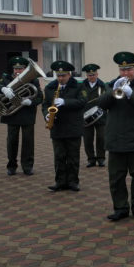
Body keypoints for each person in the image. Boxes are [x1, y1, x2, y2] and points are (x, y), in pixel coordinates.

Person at [99, 52, 134, 221]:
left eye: (129, 70)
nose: (125, 73)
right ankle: (120, 208)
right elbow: (101, 104)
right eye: (122, 70)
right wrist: (113, 90)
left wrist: (131, 94)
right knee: (116, 178)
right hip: (115, 139)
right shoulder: (110, 85)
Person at [0, 56, 43, 176]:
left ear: (25, 69)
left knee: (28, 142)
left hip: (27, 115)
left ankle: (27, 167)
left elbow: (40, 97)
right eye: (16, 68)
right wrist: (3, 88)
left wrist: (30, 102)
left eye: (20, 68)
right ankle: (11, 166)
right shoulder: (6, 78)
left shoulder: (33, 80)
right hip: (11, 115)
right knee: (12, 141)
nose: (17, 71)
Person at [42, 61, 87, 192]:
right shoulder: (50, 88)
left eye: (63, 76)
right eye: (58, 76)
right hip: (57, 127)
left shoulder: (79, 86)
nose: (60, 78)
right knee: (59, 156)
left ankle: (73, 182)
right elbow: (45, 105)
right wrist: (46, 115)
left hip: (73, 126)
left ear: (69, 74)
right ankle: (60, 182)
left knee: (73, 156)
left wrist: (65, 102)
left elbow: (83, 101)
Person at [81, 63, 107, 167]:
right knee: (88, 138)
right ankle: (91, 159)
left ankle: (101, 158)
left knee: (102, 137)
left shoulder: (103, 85)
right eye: (89, 75)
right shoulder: (81, 86)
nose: (92, 77)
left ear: (97, 74)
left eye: (94, 74)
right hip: (85, 116)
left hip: (101, 116)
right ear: (87, 76)